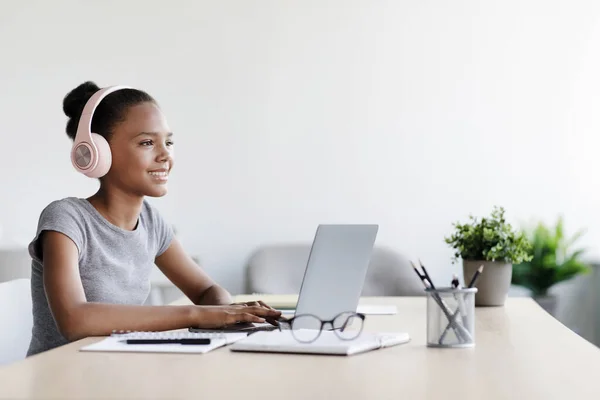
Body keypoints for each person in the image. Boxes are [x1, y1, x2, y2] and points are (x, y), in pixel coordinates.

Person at [26, 81, 281, 356]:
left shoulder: (151, 222)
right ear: (98, 152)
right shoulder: (66, 219)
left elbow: (207, 290)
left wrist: (226, 313)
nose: (165, 155)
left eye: (168, 142)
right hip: (61, 379)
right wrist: (198, 315)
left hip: (119, 370)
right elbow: (75, 321)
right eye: (147, 142)